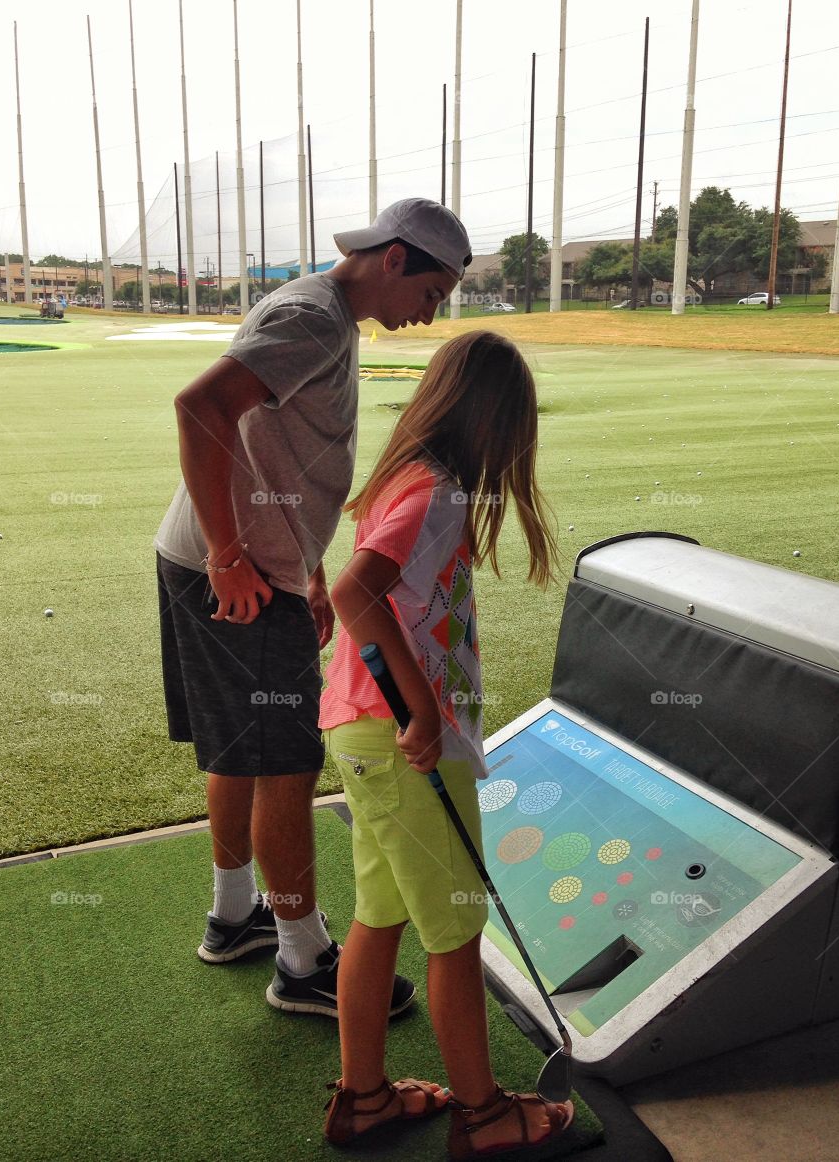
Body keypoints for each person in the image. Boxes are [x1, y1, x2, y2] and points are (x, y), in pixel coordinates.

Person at [154, 198, 472, 1018]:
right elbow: (201, 409)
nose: (428, 315)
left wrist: (310, 564)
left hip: (246, 563)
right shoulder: (313, 317)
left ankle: (235, 915)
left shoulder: (322, 313)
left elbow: (277, 447)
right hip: (233, 569)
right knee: (286, 768)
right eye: (432, 293)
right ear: (394, 260)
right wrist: (233, 556)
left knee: (239, 751)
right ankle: (301, 961)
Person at [318, 331, 573, 1156]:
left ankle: (364, 1100)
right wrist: (422, 710)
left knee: (379, 914)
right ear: (493, 422)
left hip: (362, 729)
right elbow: (355, 590)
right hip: (399, 739)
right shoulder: (440, 494)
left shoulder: (413, 478)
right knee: (457, 926)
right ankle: (485, 1115)